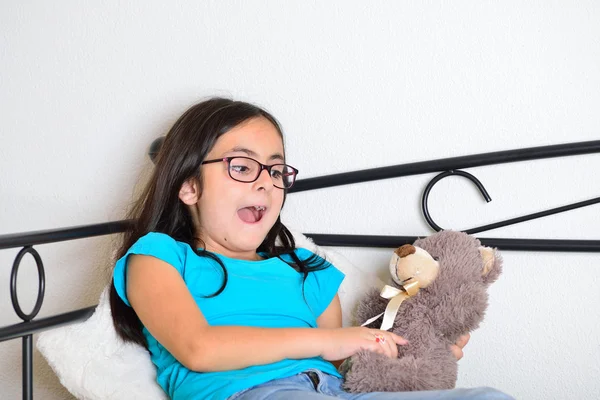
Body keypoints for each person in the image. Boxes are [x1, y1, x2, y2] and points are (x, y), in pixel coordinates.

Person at [109, 98, 514, 400]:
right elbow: (198, 349)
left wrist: (421, 349)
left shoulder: (307, 269)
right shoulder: (158, 256)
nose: (266, 183)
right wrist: (327, 343)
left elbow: (343, 363)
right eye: (242, 166)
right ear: (189, 185)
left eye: (276, 169)